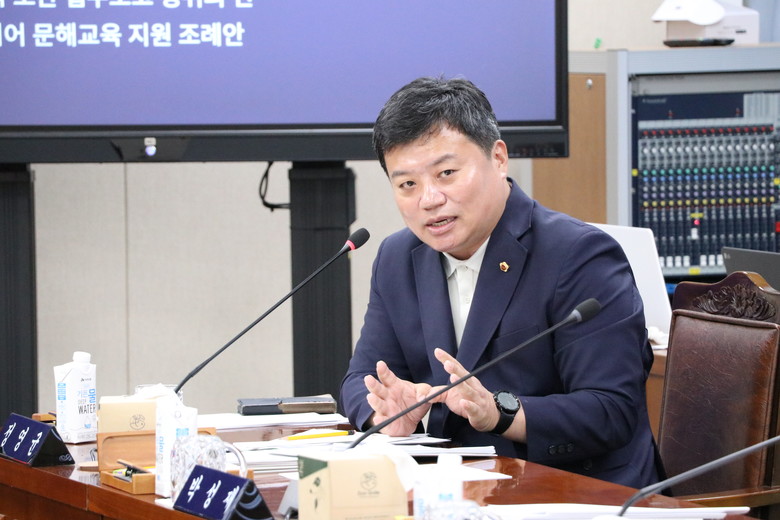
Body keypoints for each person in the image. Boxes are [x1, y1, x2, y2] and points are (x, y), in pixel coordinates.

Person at [339, 76, 662, 488]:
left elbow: (610, 410)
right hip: (451, 494)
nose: (429, 199)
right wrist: (383, 413)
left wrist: (501, 413)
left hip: (575, 493)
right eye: (407, 184)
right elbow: (361, 378)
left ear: (498, 158)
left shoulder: (579, 255)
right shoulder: (398, 257)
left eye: (447, 173)